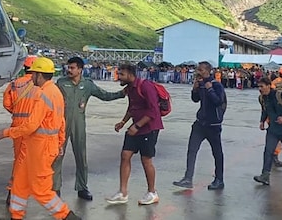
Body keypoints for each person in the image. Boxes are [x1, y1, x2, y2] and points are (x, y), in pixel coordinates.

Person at [0, 57, 80, 220]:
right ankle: (16, 215)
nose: (31, 77)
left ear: (39, 75)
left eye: (33, 73)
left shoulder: (44, 95)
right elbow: (61, 121)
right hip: (34, 147)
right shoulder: (55, 92)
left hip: (41, 149)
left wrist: (5, 133)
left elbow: (31, 126)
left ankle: (68, 216)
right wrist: (60, 142)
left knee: (41, 190)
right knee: (19, 184)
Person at [52, 56, 125, 200]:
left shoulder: (88, 85)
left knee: (81, 156)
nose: (69, 70)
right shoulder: (61, 83)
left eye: (72, 68)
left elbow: (104, 95)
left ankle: (82, 188)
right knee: (57, 156)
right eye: (68, 67)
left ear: (80, 69)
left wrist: (121, 94)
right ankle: (55, 188)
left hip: (78, 124)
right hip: (61, 124)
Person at [106, 64, 163, 206]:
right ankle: (122, 192)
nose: (119, 76)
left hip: (149, 128)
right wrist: (123, 122)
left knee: (146, 160)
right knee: (125, 155)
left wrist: (137, 126)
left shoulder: (146, 86)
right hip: (135, 127)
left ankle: (152, 192)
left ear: (131, 74)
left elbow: (153, 111)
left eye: (121, 74)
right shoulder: (129, 89)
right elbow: (132, 107)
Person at [173, 61, 226, 190]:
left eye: (201, 70)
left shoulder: (216, 85)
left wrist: (209, 89)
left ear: (208, 71)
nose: (198, 72)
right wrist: (195, 89)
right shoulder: (201, 83)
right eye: (198, 70)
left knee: (217, 152)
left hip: (213, 124)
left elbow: (218, 101)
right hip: (200, 123)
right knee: (192, 150)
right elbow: (195, 100)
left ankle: (219, 179)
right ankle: (188, 178)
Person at [2, 55, 38, 205]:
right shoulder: (41, 85)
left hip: (17, 125)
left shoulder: (14, 84)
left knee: (19, 159)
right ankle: (17, 192)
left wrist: (17, 113)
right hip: (33, 126)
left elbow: (6, 104)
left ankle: (13, 192)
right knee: (29, 161)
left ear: (24, 68)